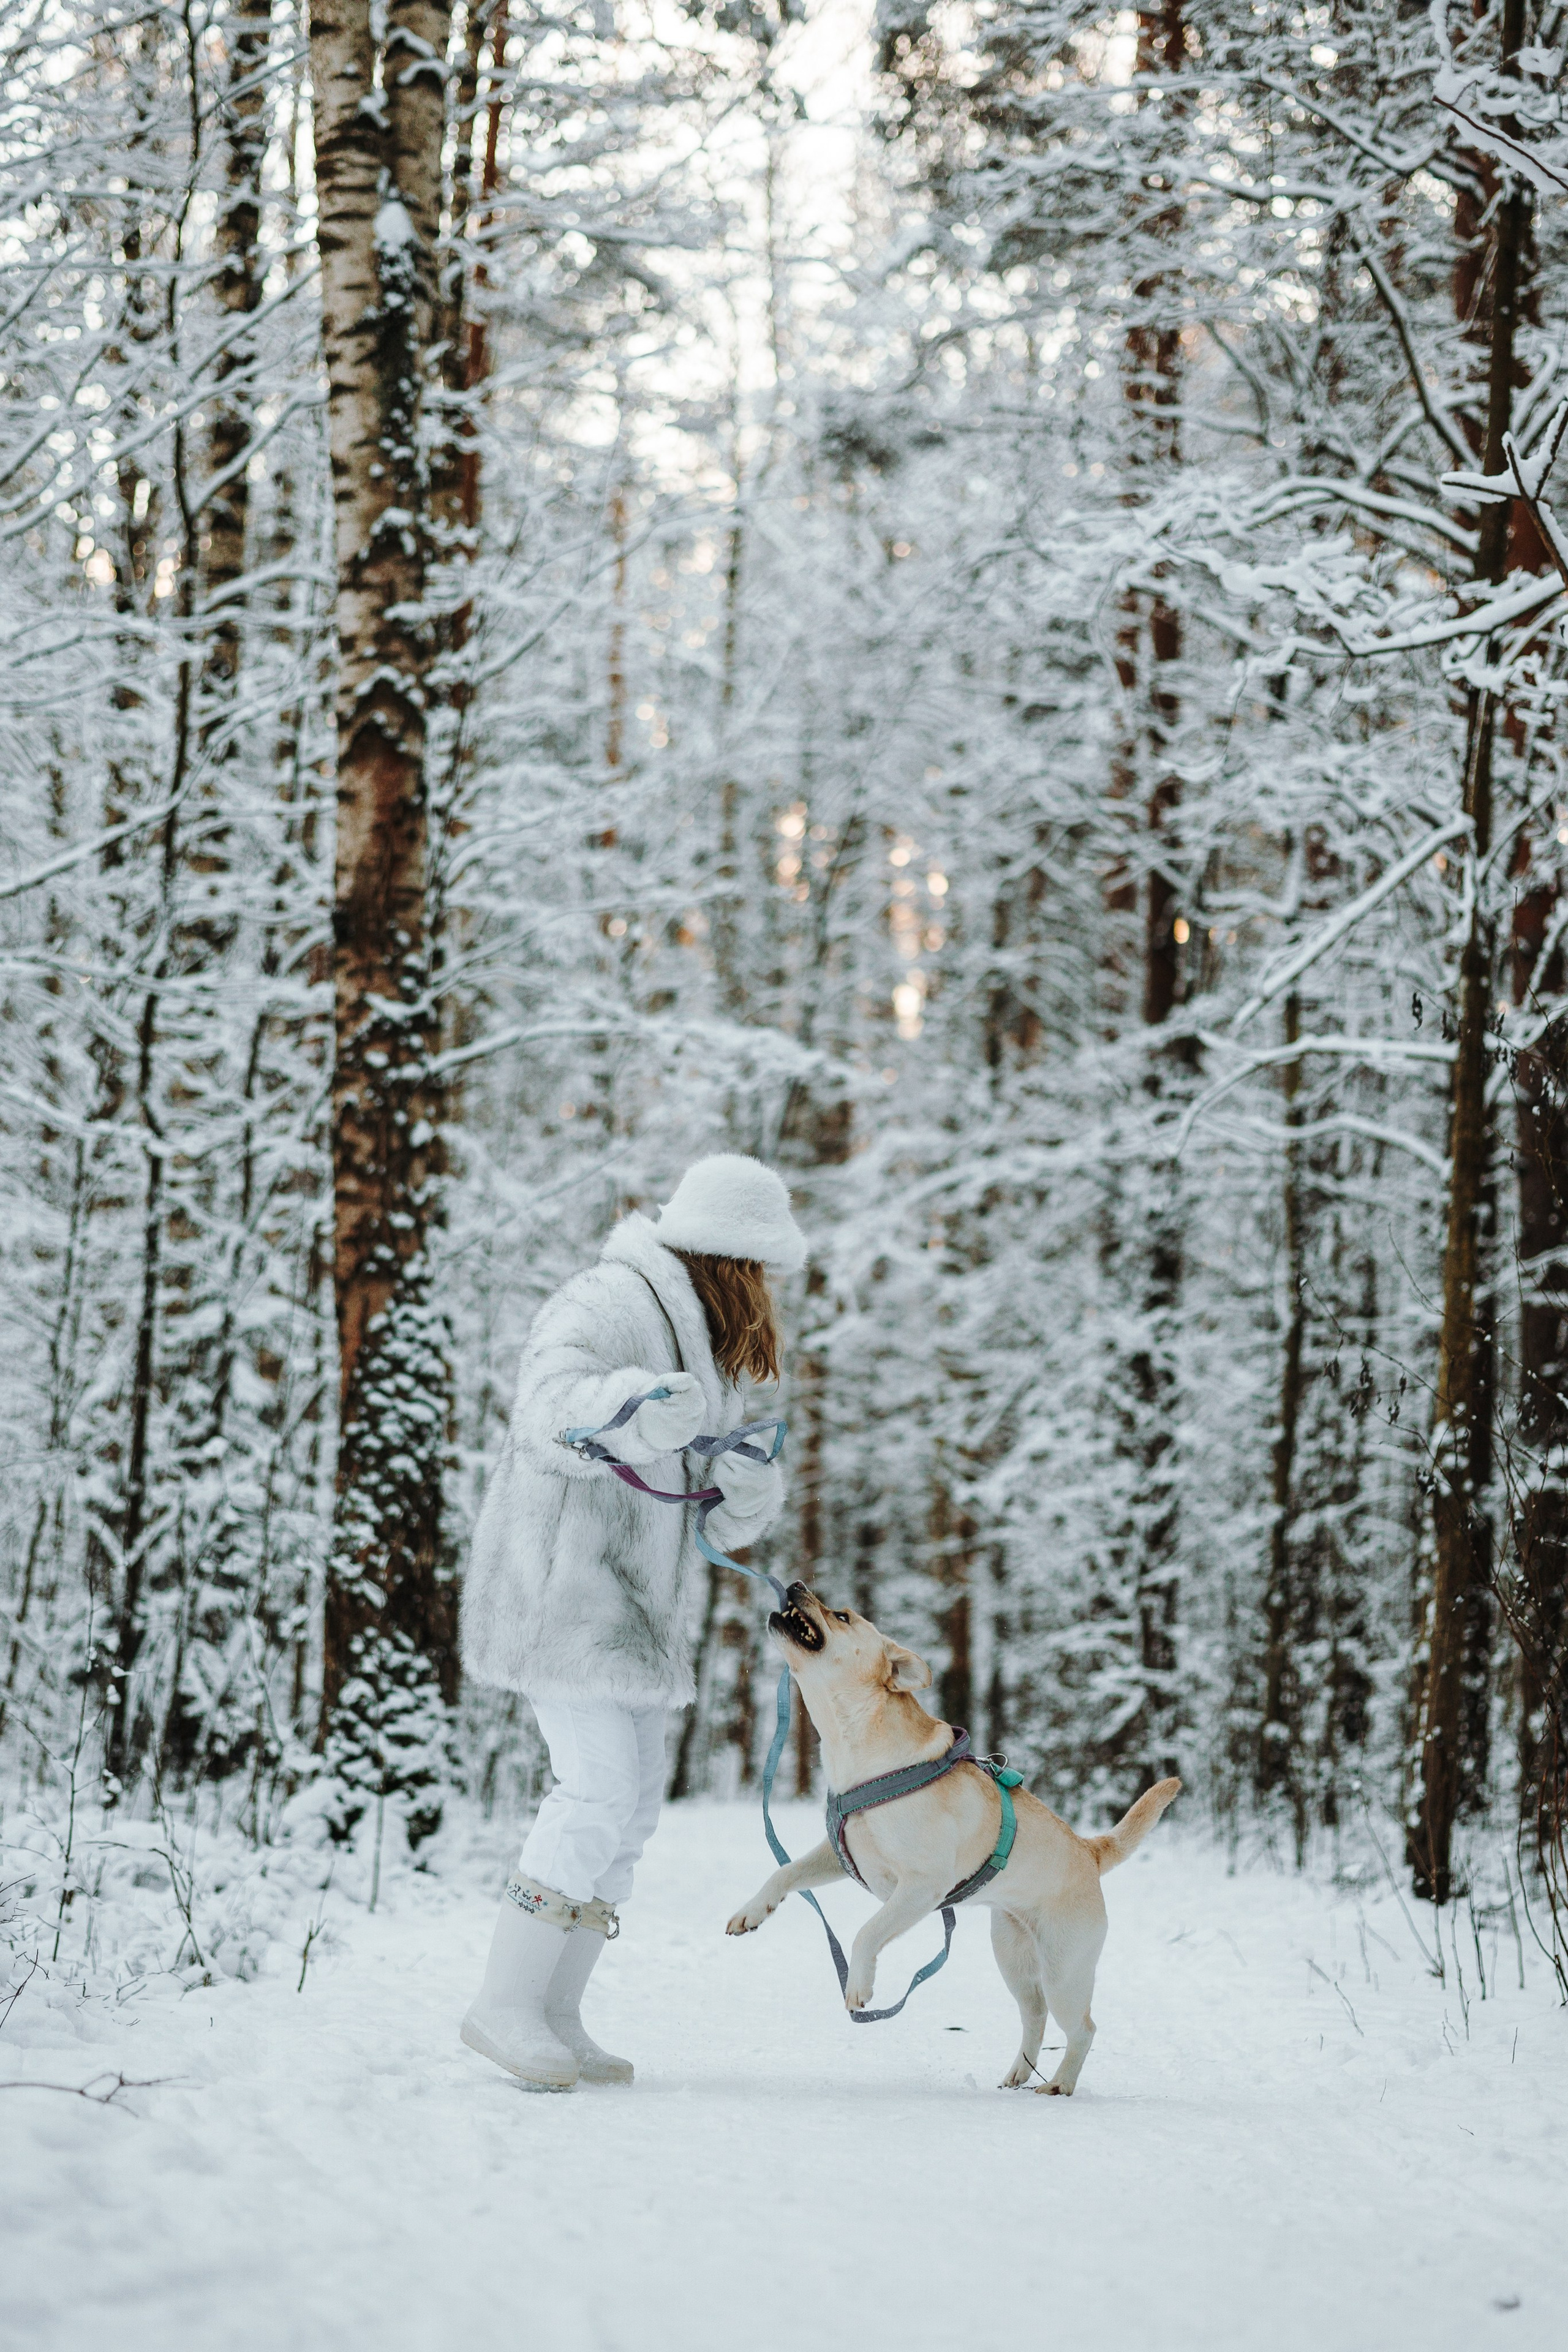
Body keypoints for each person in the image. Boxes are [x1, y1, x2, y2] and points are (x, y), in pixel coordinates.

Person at [459, 1153, 806, 2090]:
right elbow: (544, 1409)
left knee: (635, 1803)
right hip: (558, 1594)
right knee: (596, 1788)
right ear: (725, 1259)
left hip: (637, 1614)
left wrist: (745, 1494)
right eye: (758, 1270)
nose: (764, 1292)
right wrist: (626, 1412)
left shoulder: (703, 1346)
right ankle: (504, 2005)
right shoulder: (609, 1300)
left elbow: (697, 1502)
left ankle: (557, 2012)